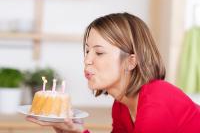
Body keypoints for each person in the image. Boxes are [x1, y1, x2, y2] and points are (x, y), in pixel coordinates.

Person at [27, 13, 200, 133]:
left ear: (131, 61)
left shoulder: (157, 99)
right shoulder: (121, 106)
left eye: (99, 52)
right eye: (87, 51)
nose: (87, 60)